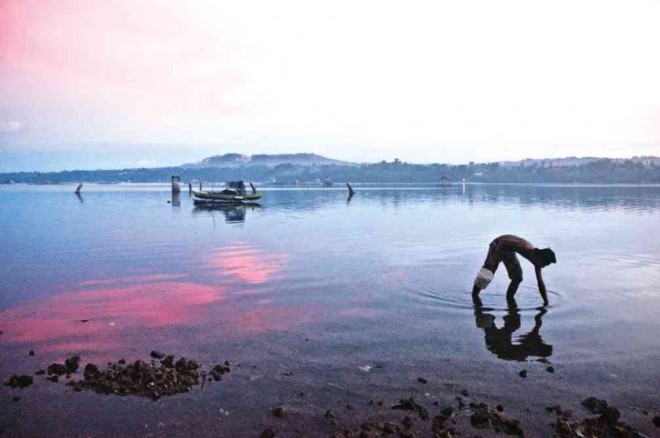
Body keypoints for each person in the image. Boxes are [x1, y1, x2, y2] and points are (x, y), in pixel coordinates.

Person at [472, 234, 556, 306]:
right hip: (498, 244)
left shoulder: (537, 262)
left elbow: (540, 283)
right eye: (544, 264)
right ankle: (474, 296)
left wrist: (546, 302)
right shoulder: (525, 247)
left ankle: (510, 299)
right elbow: (503, 242)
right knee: (488, 271)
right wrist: (495, 258)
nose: (543, 267)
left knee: (518, 277)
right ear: (540, 256)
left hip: (508, 250)